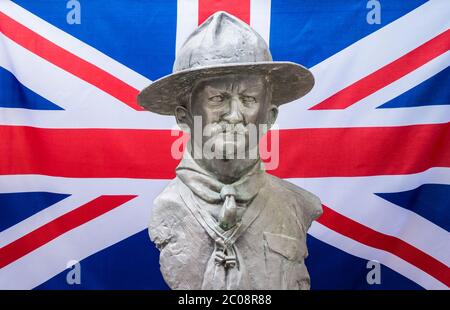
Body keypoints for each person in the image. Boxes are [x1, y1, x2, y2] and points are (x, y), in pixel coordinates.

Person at [138, 11, 322, 290]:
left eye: (249, 99)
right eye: (217, 98)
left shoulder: (298, 204)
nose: (235, 115)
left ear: (269, 116)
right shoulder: (168, 207)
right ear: (183, 116)